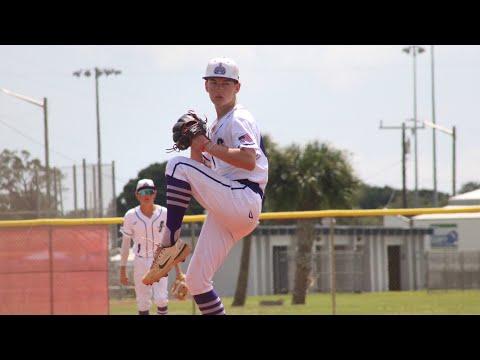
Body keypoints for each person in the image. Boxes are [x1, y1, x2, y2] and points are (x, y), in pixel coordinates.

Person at [143, 57, 268, 315]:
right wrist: (196, 145)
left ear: (237, 87)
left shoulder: (239, 118)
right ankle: (171, 249)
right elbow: (201, 173)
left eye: (226, 83)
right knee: (197, 282)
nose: (219, 88)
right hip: (229, 207)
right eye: (214, 82)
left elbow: (247, 160)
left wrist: (207, 145)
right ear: (206, 87)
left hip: (244, 197)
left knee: (175, 167)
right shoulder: (216, 125)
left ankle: (169, 245)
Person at [120, 178, 170, 315]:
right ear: (137, 195)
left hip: (160, 259)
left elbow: (170, 241)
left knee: (161, 299)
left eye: (149, 191)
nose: (146, 195)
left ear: (155, 193)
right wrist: (122, 268)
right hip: (140, 260)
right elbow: (125, 245)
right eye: (142, 192)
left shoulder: (165, 213)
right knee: (142, 301)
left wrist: (177, 269)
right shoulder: (130, 215)